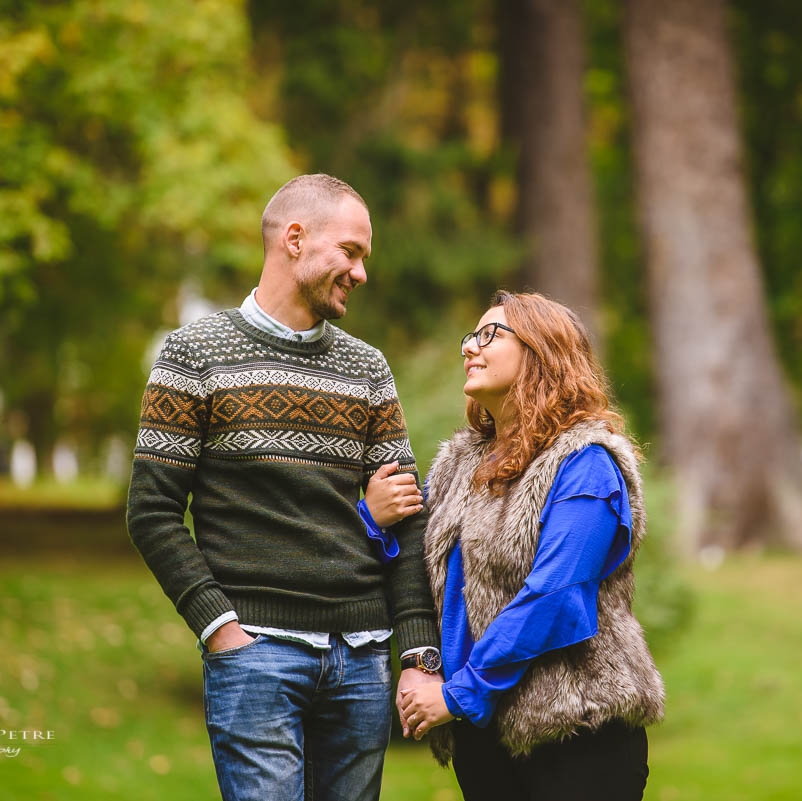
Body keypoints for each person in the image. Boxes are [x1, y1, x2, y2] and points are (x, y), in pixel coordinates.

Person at [126, 173, 442, 801]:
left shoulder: (367, 368)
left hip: (361, 657)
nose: (361, 273)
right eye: (350, 252)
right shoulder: (195, 355)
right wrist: (218, 627)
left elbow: (408, 517)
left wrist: (416, 653)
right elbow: (152, 510)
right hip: (257, 653)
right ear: (294, 239)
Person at [385, 291, 665, 801]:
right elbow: (415, 570)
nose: (470, 346)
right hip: (482, 735)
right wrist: (373, 517)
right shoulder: (458, 463)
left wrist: (457, 693)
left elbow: (555, 596)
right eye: (471, 335)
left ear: (543, 352)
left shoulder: (585, 463)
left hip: (575, 732)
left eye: (491, 334)